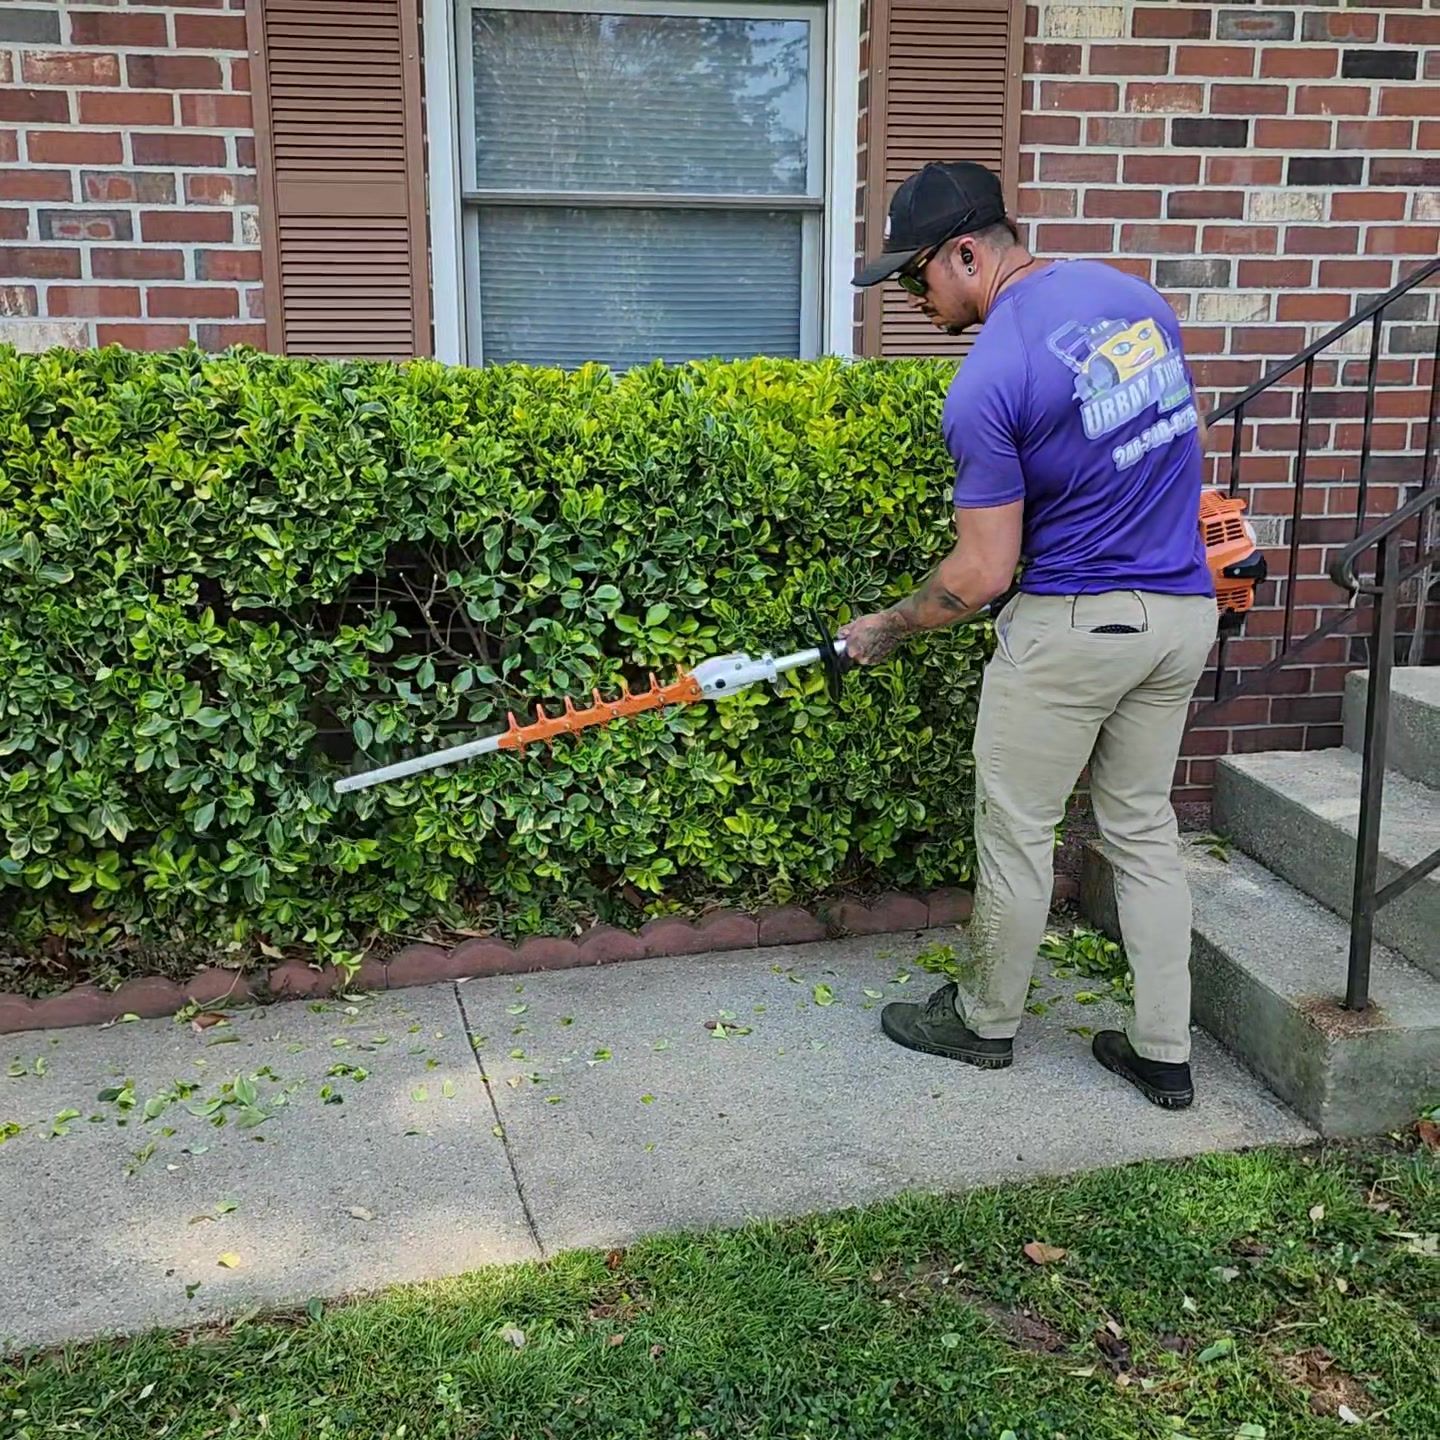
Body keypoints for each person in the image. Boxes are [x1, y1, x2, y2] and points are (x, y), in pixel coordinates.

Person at [842, 160, 1217, 1110]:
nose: (910, 297)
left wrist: (887, 626)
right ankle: (1163, 1052)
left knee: (1015, 832)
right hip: (1181, 616)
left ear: (965, 252)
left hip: (1075, 629)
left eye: (913, 274)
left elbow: (981, 574)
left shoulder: (987, 380)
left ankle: (982, 1022)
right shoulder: (1136, 301)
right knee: (1142, 832)